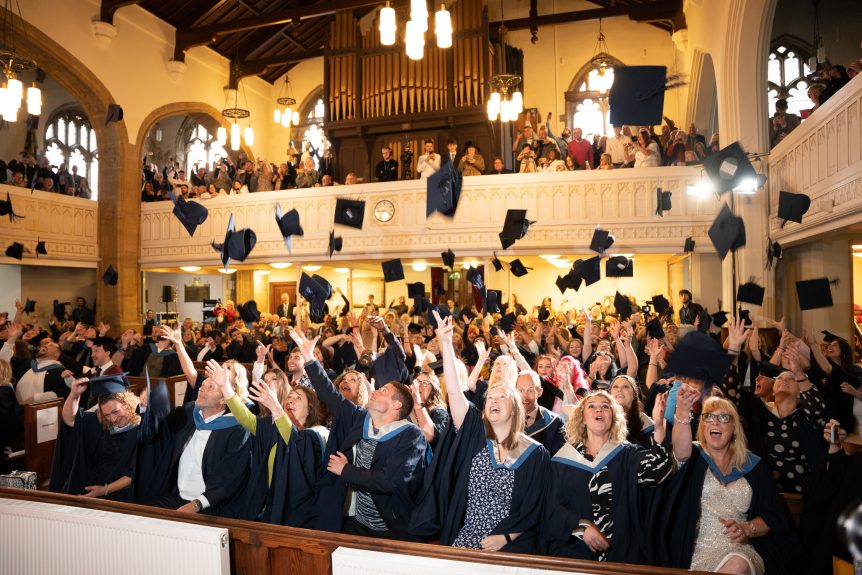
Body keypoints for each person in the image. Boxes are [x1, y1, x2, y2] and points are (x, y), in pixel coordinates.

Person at [410, 311, 549, 552]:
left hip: (512, 543)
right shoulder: (476, 437)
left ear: (515, 408)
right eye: (490, 398)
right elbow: (454, 392)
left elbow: (535, 505)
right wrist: (445, 342)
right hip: (466, 536)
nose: (493, 400)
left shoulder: (535, 453)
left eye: (502, 396)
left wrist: (506, 538)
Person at [290, 329, 428, 539]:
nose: (374, 391)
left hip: (390, 528)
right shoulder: (360, 417)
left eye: (383, 391)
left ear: (397, 404)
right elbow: (331, 394)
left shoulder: (411, 436)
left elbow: (389, 481)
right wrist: (310, 359)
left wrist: (346, 470)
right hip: (356, 521)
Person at [662, 391, 798, 575]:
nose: (715, 422)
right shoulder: (692, 457)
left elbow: (773, 518)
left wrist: (747, 529)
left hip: (741, 548)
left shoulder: (754, 466)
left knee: (738, 564)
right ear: (702, 426)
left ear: (734, 428)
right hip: (694, 549)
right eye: (708, 417)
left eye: (724, 418)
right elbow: (680, 450)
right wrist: (683, 411)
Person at [539, 389, 671, 563]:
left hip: (621, 556)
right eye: (591, 406)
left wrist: (659, 426)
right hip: (575, 556)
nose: (598, 410)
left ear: (614, 418)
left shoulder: (627, 454)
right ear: (583, 418)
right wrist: (581, 528)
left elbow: (658, 472)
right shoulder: (562, 460)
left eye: (605, 407)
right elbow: (552, 508)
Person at [137, 359, 251, 517]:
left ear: (224, 399)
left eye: (210, 387)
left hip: (211, 506)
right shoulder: (189, 412)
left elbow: (230, 477)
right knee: (138, 515)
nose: (201, 389)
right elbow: (157, 436)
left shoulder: (236, 429)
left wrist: (197, 504)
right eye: (203, 385)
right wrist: (147, 407)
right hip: (175, 496)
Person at [50, 374, 140, 502]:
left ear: (128, 403)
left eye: (115, 411)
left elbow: (136, 473)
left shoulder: (142, 428)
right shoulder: (101, 423)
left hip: (126, 495)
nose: (113, 419)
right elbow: (70, 420)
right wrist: (74, 395)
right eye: (107, 414)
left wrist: (105, 490)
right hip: (95, 491)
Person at [516, 369, 566, 455]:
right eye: (520, 390)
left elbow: (557, 460)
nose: (525, 396)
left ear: (539, 392)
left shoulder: (554, 422)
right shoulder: (506, 418)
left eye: (530, 390)